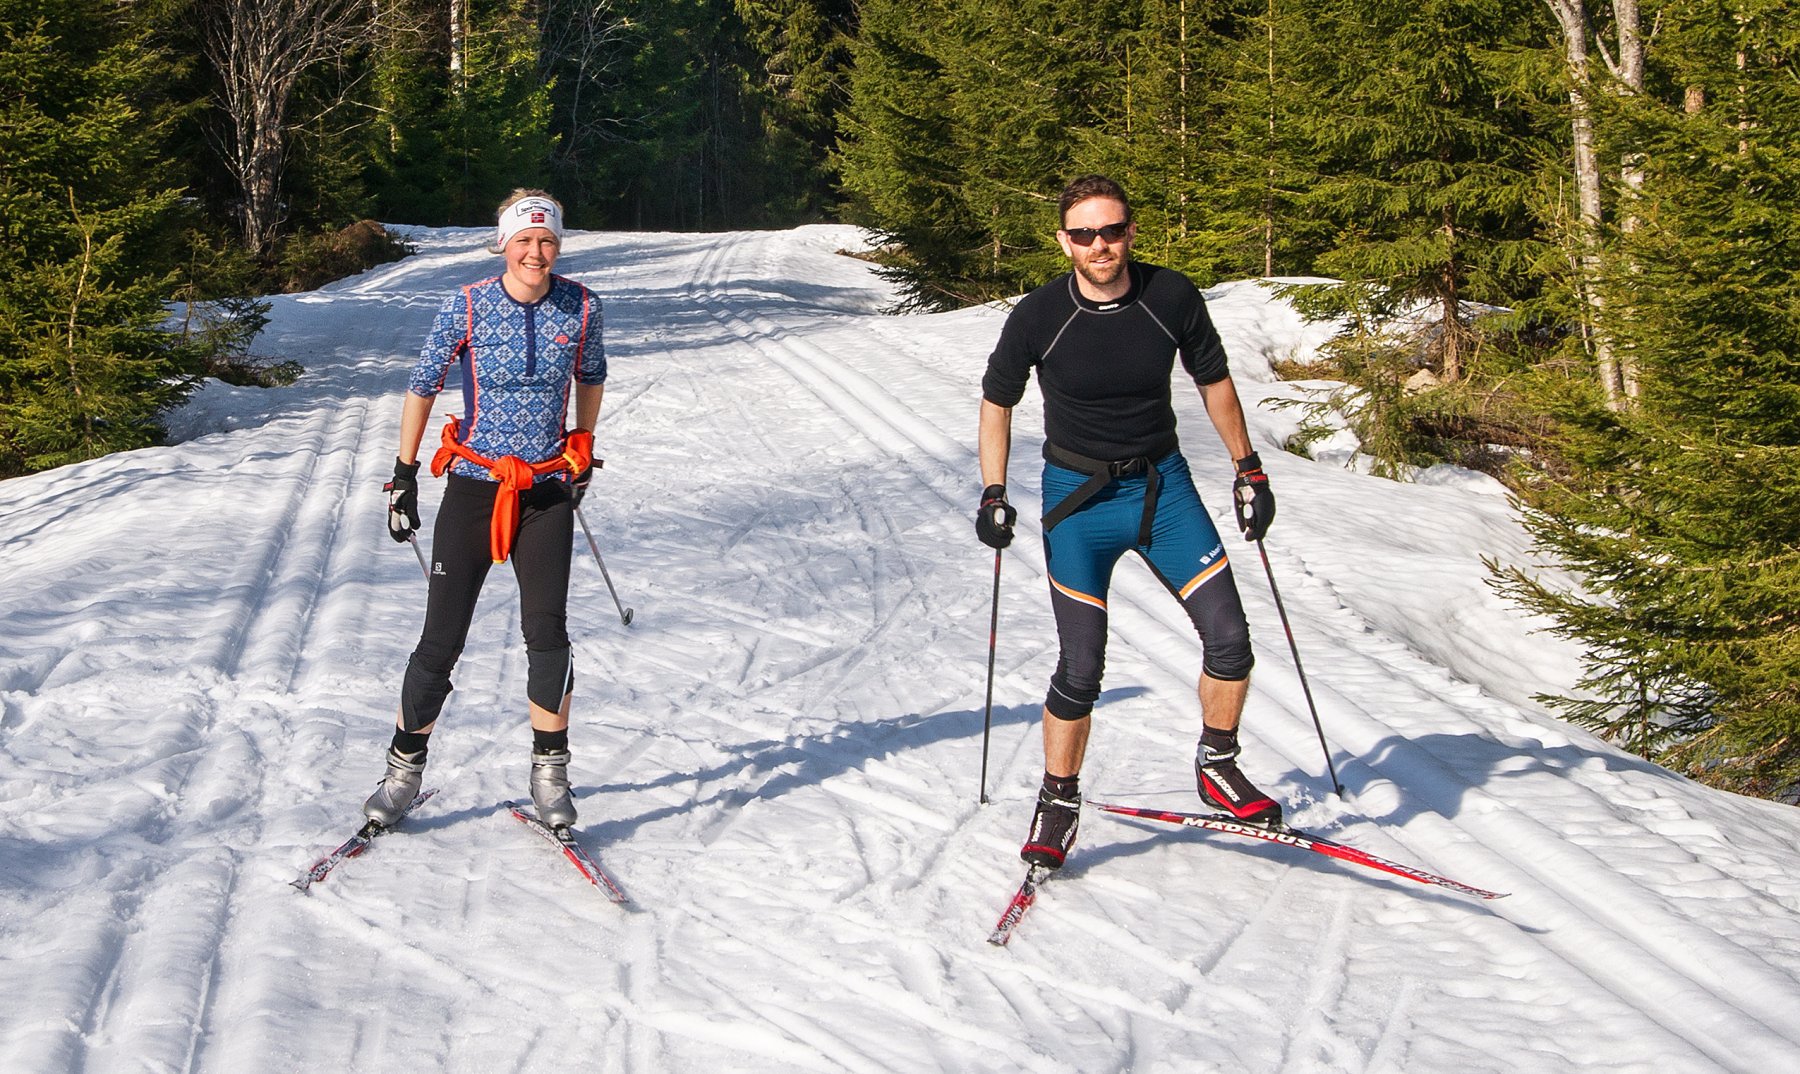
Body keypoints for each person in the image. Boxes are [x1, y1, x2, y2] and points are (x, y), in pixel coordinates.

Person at [976, 175, 1282, 871]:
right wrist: (993, 491)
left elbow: (1215, 381)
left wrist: (1249, 468)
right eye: (1084, 234)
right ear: (1064, 242)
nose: (1100, 245)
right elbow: (997, 402)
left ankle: (1218, 765)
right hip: (1078, 501)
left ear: (1131, 233)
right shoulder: (1038, 315)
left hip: (1163, 489)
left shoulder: (1170, 297)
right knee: (1081, 668)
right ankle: (1058, 799)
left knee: (1231, 640)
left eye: (1111, 230)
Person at [367, 189, 606, 830]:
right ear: (503, 243)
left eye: (548, 241)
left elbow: (592, 374)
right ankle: (401, 774)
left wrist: (583, 443)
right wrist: (404, 473)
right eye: (525, 241)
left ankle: (551, 776)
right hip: (474, 487)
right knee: (440, 640)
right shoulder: (467, 306)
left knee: (547, 634)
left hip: (546, 491)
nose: (536, 252)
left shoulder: (581, 307)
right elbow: (421, 385)